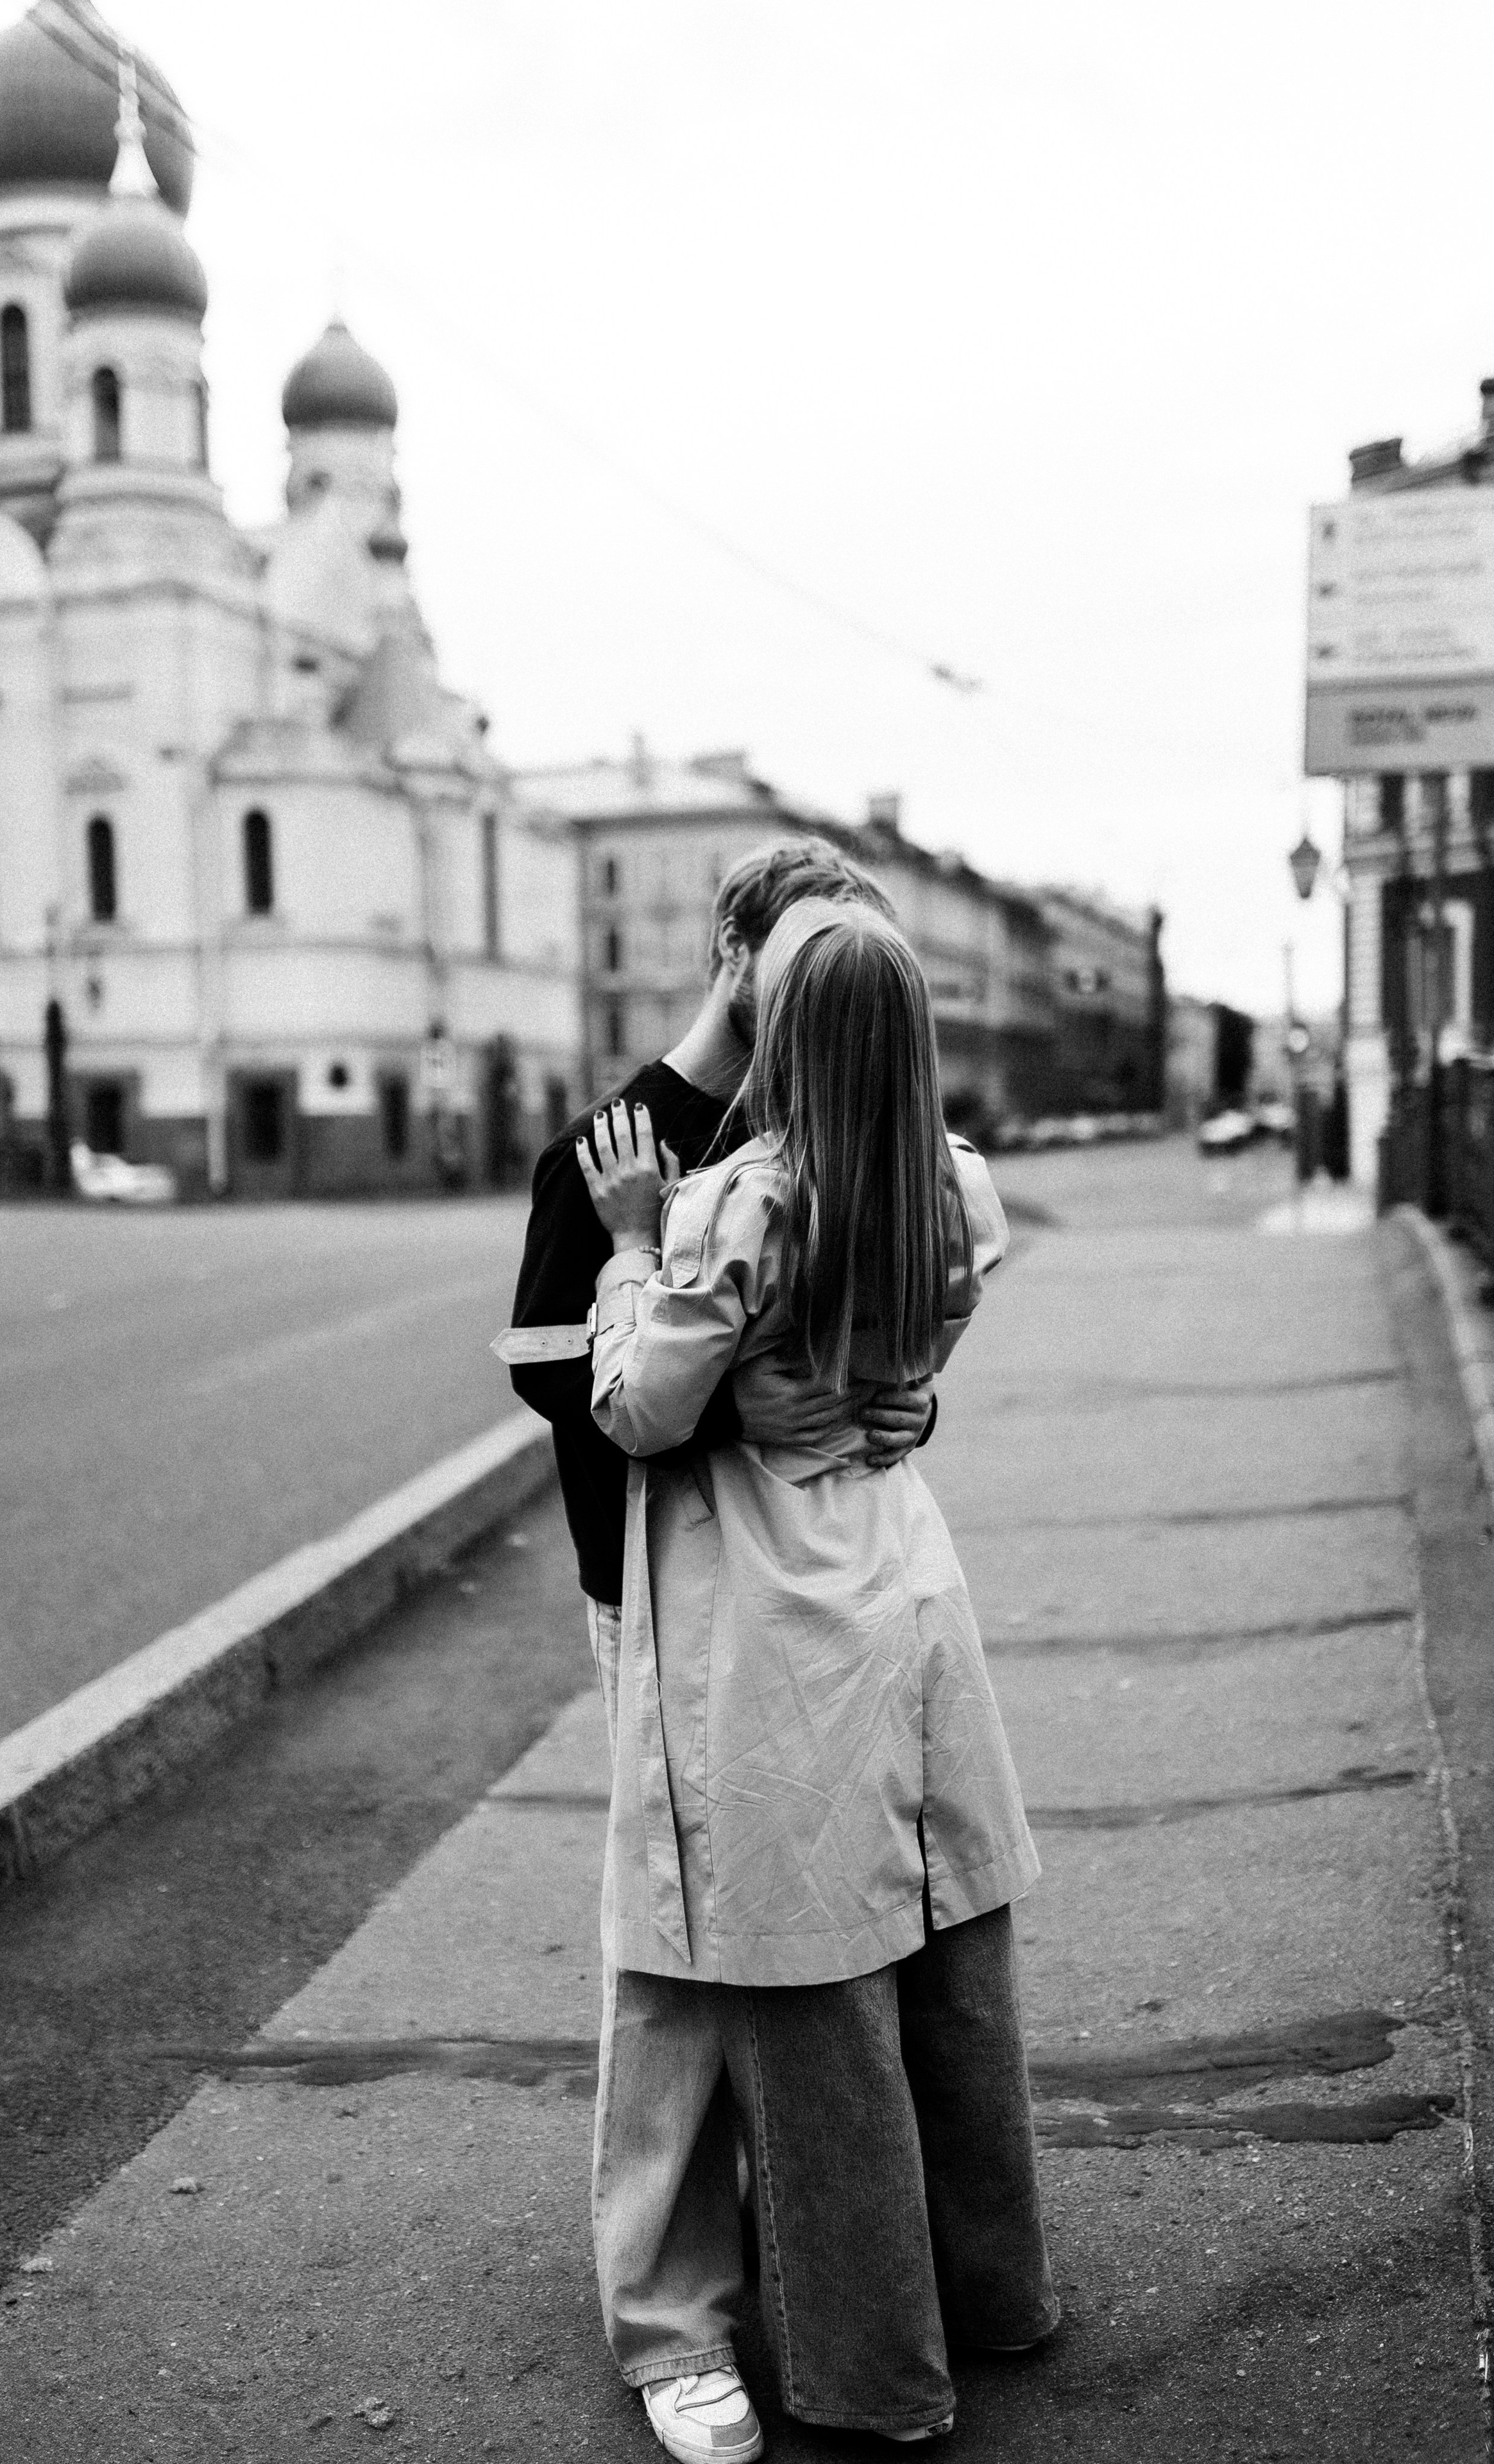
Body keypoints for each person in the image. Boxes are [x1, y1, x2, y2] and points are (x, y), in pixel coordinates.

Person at [579, 898, 1057, 2449]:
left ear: (776, 1032)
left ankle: (869, 2370)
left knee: (817, 1998)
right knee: (947, 1967)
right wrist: (880, 1394)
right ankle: (990, 2292)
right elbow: (910, 1358)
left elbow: (638, 1411)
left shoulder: (732, 1206)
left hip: (777, 1618)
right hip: (907, 1586)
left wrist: (630, 1247)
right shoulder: (952, 1186)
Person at [500, 841, 940, 2463]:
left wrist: (881, 1395)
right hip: (665, 1598)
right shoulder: (622, 1142)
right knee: (679, 1958)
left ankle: (796, 2251)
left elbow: (877, 1323)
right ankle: (673, 2322)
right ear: (734, 950)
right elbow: (552, 1371)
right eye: (803, 940)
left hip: (809, 1599)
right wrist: (740, 1391)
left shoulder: (832, 1101)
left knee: (810, 1929)